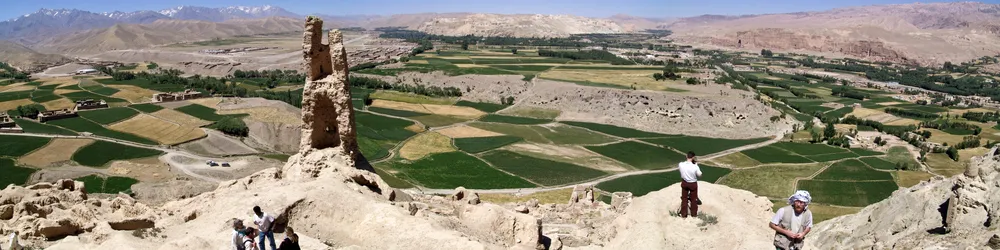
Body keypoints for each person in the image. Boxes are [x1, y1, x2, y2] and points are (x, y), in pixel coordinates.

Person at [678, 151, 702, 218]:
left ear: (686, 156)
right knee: (693, 199)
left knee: (684, 198)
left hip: (684, 183)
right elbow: (699, 175)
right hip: (693, 183)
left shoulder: (681, 164)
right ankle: (693, 214)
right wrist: (696, 165)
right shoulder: (695, 166)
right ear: (693, 157)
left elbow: (681, 170)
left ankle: (683, 214)